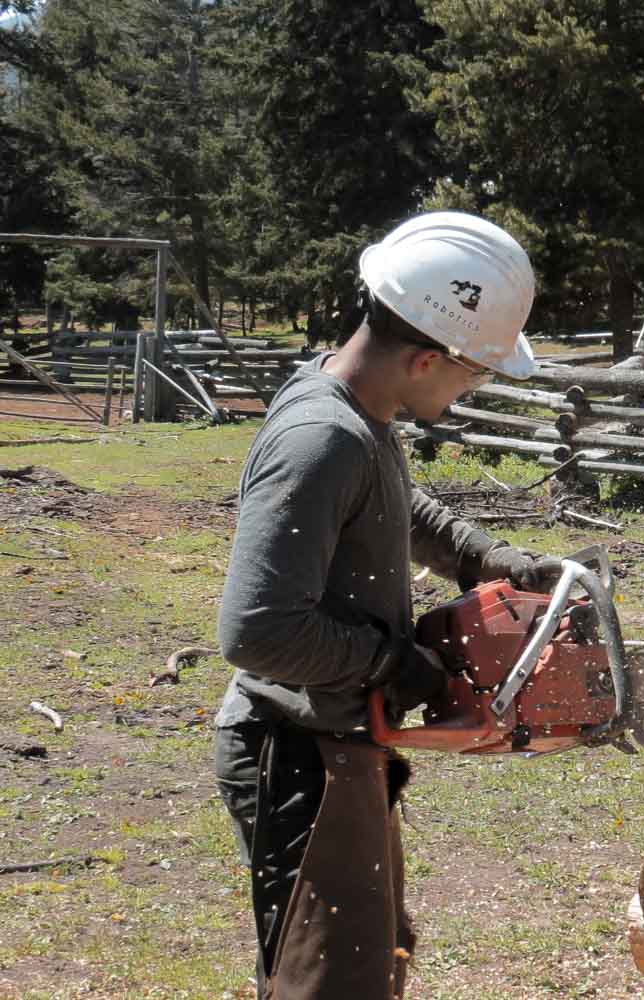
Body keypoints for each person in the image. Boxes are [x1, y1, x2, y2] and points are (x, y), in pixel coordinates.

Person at [212, 211, 565, 999]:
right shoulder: (322, 437)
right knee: (327, 984)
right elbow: (256, 629)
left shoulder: (355, 404)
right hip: (295, 749)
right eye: (472, 373)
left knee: (366, 964)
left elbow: (393, 503)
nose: (470, 388)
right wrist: (394, 661)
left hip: (331, 738)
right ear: (425, 359)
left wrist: (486, 558)